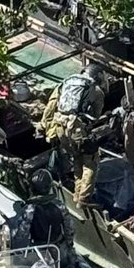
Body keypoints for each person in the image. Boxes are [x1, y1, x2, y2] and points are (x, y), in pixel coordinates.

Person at [42, 63, 105, 206]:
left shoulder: (66, 82)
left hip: (59, 126)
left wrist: (45, 127)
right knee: (91, 162)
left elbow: (51, 106)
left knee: (76, 158)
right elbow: (96, 115)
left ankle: (77, 194)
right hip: (76, 128)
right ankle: (84, 199)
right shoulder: (95, 90)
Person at [13, 169, 77, 268]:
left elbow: (21, 234)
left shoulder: (30, 209)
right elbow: (70, 229)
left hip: (38, 252)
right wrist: (69, 246)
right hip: (60, 250)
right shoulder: (59, 205)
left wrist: (16, 253)